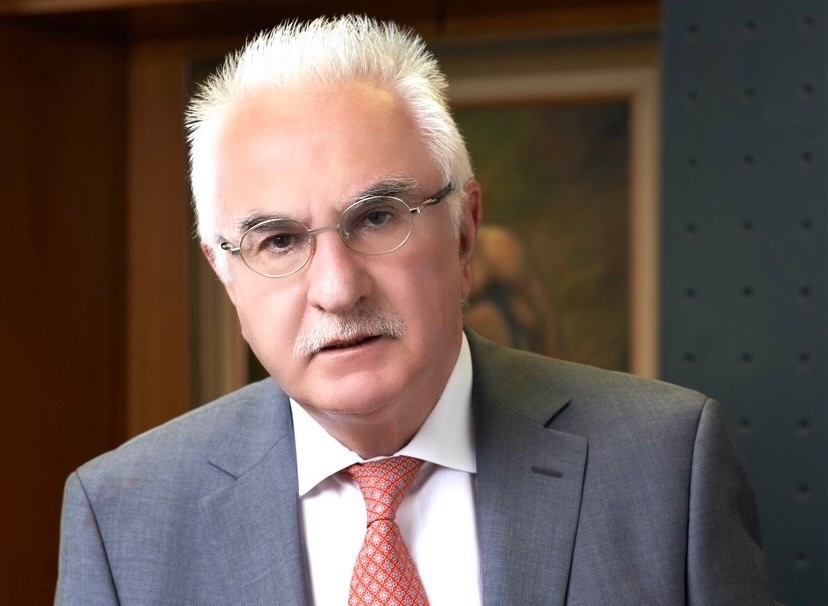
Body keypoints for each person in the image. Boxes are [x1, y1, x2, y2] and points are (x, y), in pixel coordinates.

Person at [55, 15, 780, 606]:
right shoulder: (123, 520)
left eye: (376, 218)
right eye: (279, 240)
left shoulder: (667, 467)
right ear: (225, 273)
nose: (338, 289)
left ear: (465, 232)